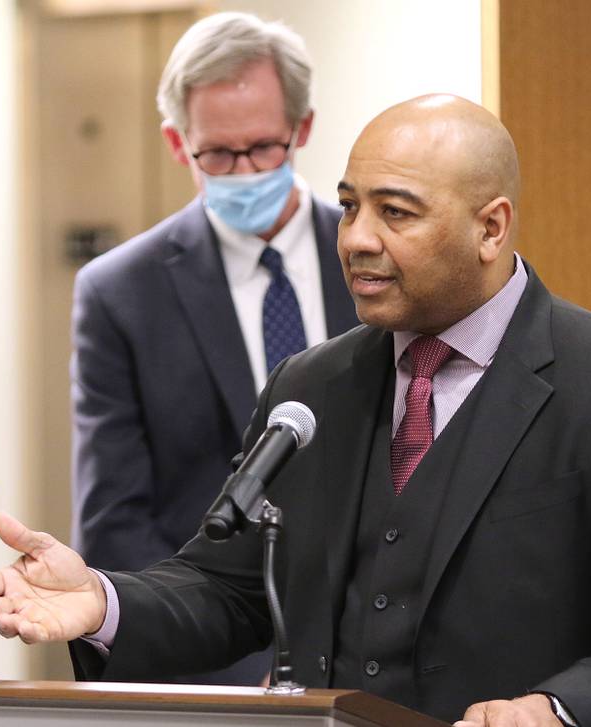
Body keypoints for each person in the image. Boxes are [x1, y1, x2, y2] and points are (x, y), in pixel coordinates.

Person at [0, 95, 591, 726]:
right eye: (352, 206)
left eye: (397, 214)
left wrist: (558, 709)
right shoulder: (311, 384)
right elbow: (229, 588)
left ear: (491, 227)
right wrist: (100, 600)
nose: (357, 239)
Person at [69, 12, 357, 685]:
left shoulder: (371, 258)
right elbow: (117, 523)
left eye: (263, 147)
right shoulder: (120, 293)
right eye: (218, 155)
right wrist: (247, 665)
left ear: (302, 130)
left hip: (376, 660)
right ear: (178, 143)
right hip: (212, 667)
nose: (245, 171)